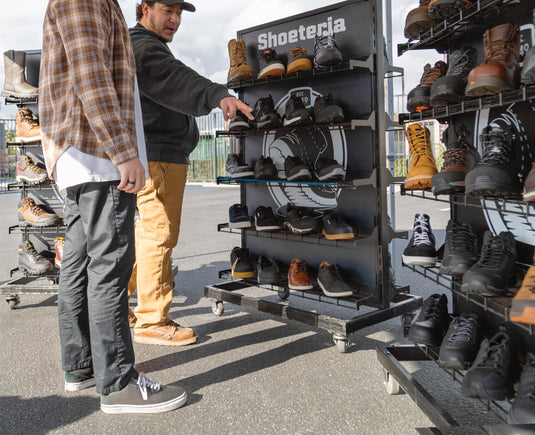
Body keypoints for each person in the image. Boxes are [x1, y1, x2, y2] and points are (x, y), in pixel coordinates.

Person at [40, 0, 188, 414]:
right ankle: (118, 383)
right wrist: (125, 152)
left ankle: (82, 366)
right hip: (99, 156)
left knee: (81, 262)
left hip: (83, 155)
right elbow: (92, 79)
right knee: (111, 265)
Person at [127, 0, 253, 346]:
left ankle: (113, 300)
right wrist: (216, 94)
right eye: (167, 10)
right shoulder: (142, 46)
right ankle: (151, 320)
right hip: (158, 156)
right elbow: (175, 78)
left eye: (179, 14)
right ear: (145, 8)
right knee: (159, 233)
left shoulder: (147, 46)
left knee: (149, 234)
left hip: (158, 154)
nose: (175, 20)